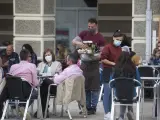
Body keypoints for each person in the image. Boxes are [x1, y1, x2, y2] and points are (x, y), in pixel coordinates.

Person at [72, 18, 105, 115]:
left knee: (94, 87)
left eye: (92, 27)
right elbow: (74, 41)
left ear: (96, 25)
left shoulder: (100, 38)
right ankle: (86, 106)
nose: (90, 28)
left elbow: (101, 54)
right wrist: (81, 44)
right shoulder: (84, 34)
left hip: (94, 64)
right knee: (85, 86)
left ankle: (93, 107)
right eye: (89, 26)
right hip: (84, 64)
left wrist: (92, 51)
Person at [0, 49, 39, 119]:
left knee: (27, 90)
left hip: (12, 92)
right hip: (25, 91)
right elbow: (35, 82)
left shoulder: (13, 66)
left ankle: (18, 107)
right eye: (30, 56)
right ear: (28, 57)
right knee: (36, 92)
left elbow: (10, 78)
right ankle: (22, 107)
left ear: (20, 57)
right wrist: (37, 84)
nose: (30, 58)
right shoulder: (32, 66)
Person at [110, 51, 141, 120]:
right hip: (131, 94)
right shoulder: (133, 68)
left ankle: (121, 116)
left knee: (123, 94)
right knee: (128, 94)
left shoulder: (116, 68)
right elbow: (138, 82)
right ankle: (130, 113)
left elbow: (112, 83)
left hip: (119, 94)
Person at [101, 30, 123, 120]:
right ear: (113, 38)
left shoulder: (120, 48)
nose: (119, 41)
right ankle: (107, 112)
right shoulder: (107, 47)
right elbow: (103, 59)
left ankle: (112, 111)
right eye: (117, 39)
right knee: (107, 93)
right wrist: (114, 64)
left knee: (114, 93)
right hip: (108, 71)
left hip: (117, 72)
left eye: (120, 40)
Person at [36, 49, 62, 117]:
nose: (47, 56)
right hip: (43, 85)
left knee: (45, 83)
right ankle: (44, 111)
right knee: (43, 86)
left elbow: (58, 75)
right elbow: (37, 73)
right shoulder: (41, 64)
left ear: (52, 55)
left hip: (54, 86)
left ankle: (42, 111)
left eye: (49, 55)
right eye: (46, 55)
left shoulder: (57, 64)